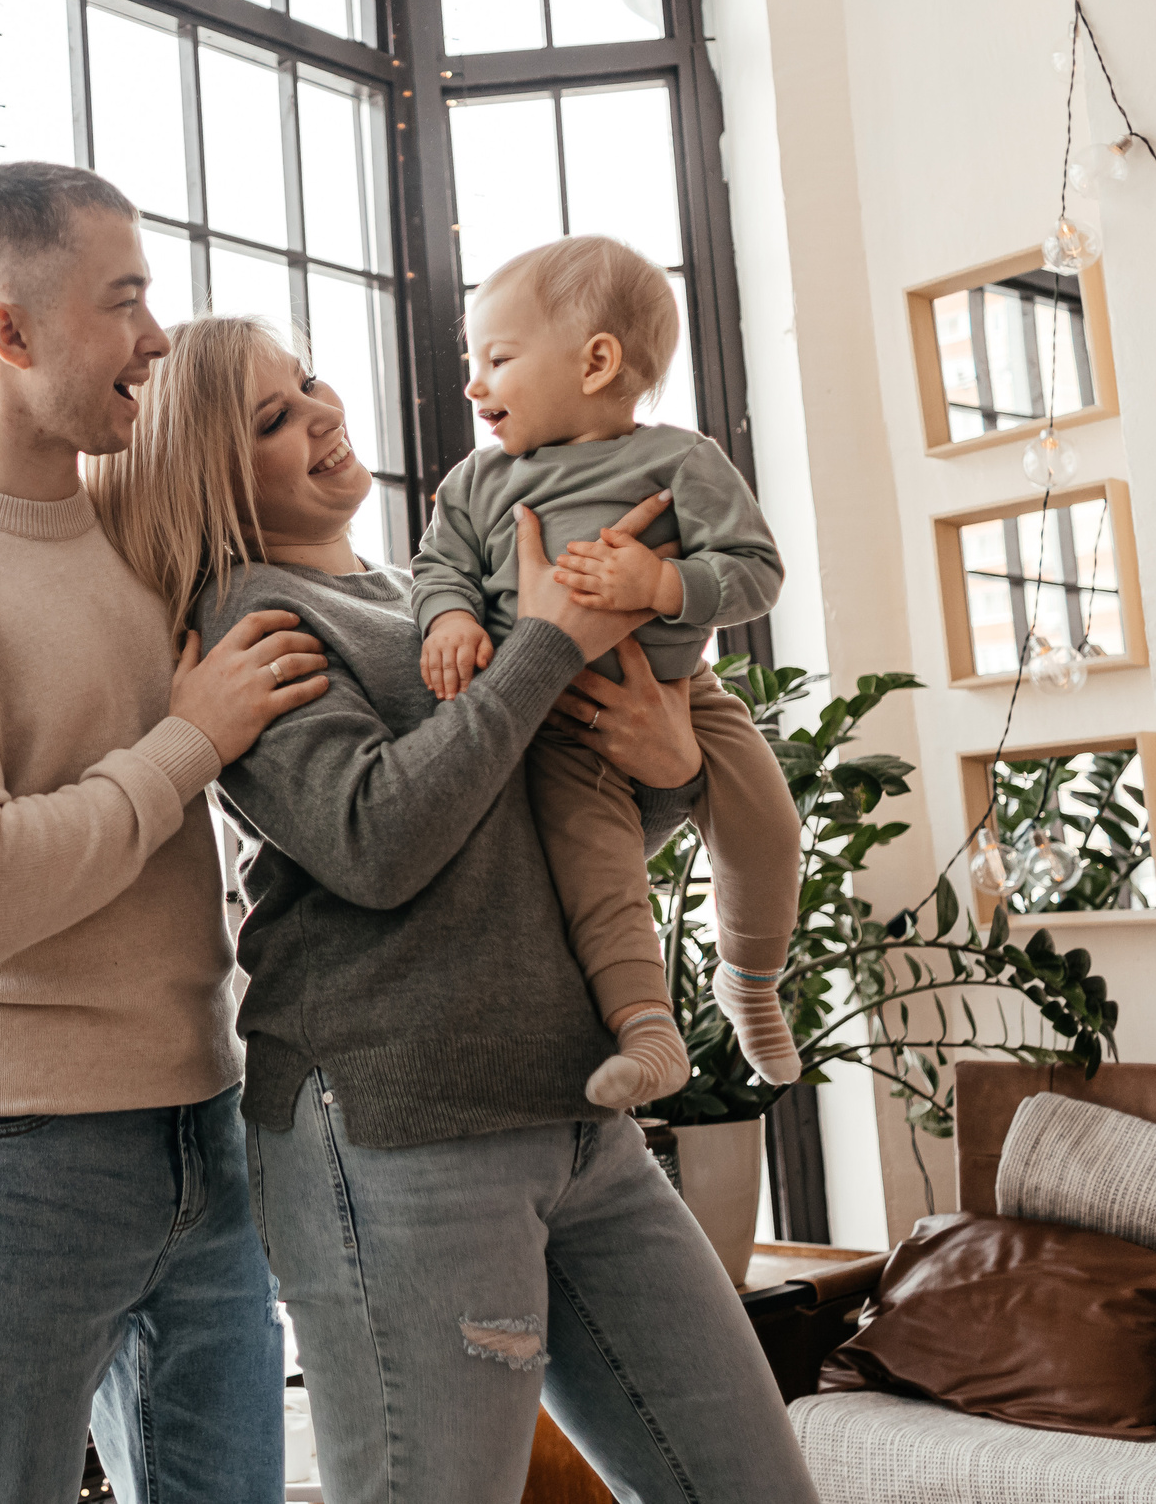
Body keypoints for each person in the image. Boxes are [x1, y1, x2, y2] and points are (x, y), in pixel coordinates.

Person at [88, 314, 820, 1503]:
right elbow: (374, 844)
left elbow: (549, 845)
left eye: (309, 381)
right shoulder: (250, 617)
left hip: (575, 1108)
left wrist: (671, 768)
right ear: (210, 474)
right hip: (399, 1125)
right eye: (273, 418)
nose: (322, 412)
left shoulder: (419, 594)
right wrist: (542, 645)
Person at [0, 162, 326, 1503]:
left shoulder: (138, 537)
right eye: (126, 300)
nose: (158, 337)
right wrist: (186, 737)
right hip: (0, 1155)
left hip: (201, 1122)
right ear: (11, 331)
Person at [412, 235, 803, 1108]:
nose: (475, 385)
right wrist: (447, 616)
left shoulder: (684, 461)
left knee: (769, 821)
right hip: (555, 715)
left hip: (685, 695)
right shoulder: (477, 482)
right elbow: (438, 567)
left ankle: (749, 974)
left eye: (497, 359)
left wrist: (666, 583)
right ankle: (648, 1028)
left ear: (595, 362)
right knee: (600, 868)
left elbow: (756, 571)